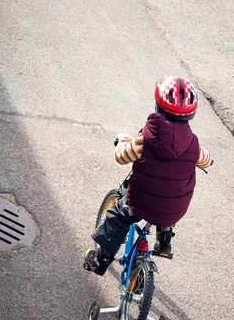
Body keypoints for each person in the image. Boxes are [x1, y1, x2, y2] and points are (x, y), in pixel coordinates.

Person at [84, 76, 212, 276]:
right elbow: (206, 160)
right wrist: (207, 162)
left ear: (158, 106)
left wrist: (123, 141)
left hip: (140, 203)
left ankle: (101, 260)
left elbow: (121, 156)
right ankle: (164, 242)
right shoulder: (193, 145)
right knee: (169, 199)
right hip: (174, 209)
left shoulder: (144, 140)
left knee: (118, 217)